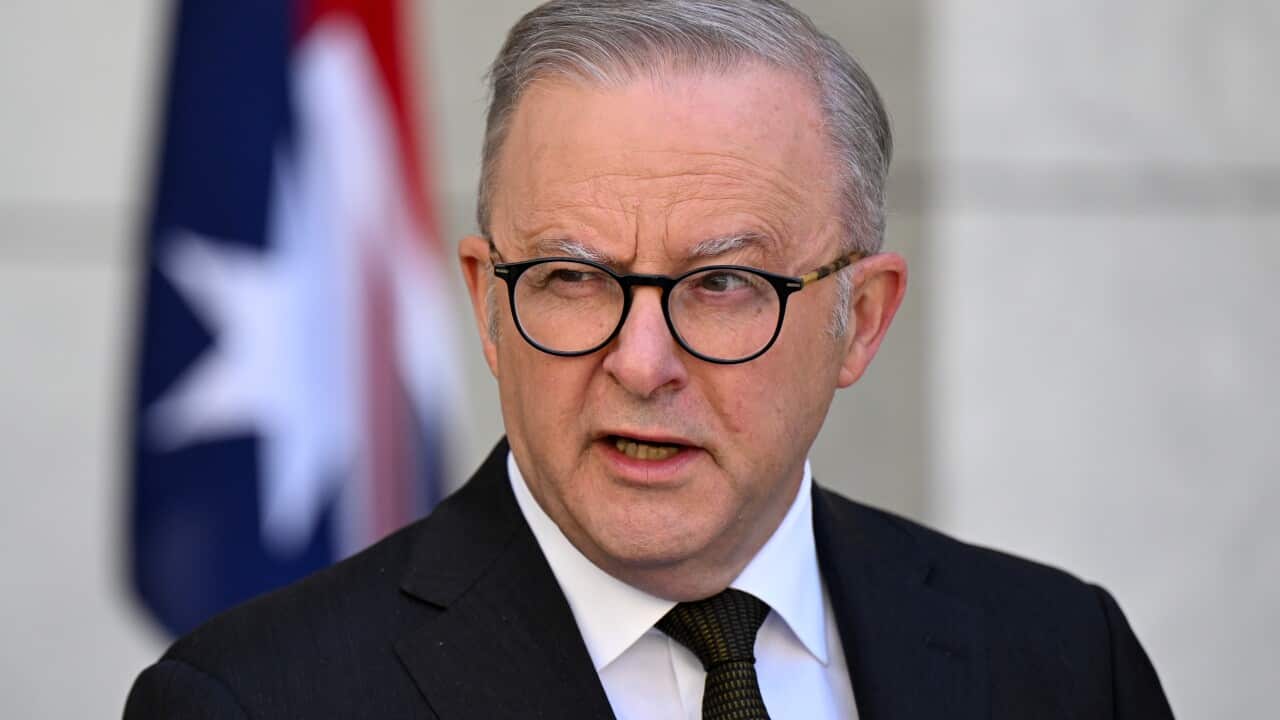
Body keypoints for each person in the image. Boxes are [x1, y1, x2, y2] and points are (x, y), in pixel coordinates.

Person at [125, 1, 1175, 718]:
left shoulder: (1060, 661)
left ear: (859, 320)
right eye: (572, 279)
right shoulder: (255, 703)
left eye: (721, 285)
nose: (639, 362)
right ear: (487, 303)